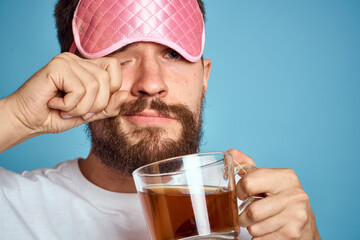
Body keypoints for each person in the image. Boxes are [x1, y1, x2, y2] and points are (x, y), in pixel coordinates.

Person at [0, 0, 321, 239]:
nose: (151, 83)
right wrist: (17, 116)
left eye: (173, 54)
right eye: (120, 52)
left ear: (204, 78)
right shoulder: (11, 208)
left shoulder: (263, 222)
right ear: (69, 73)